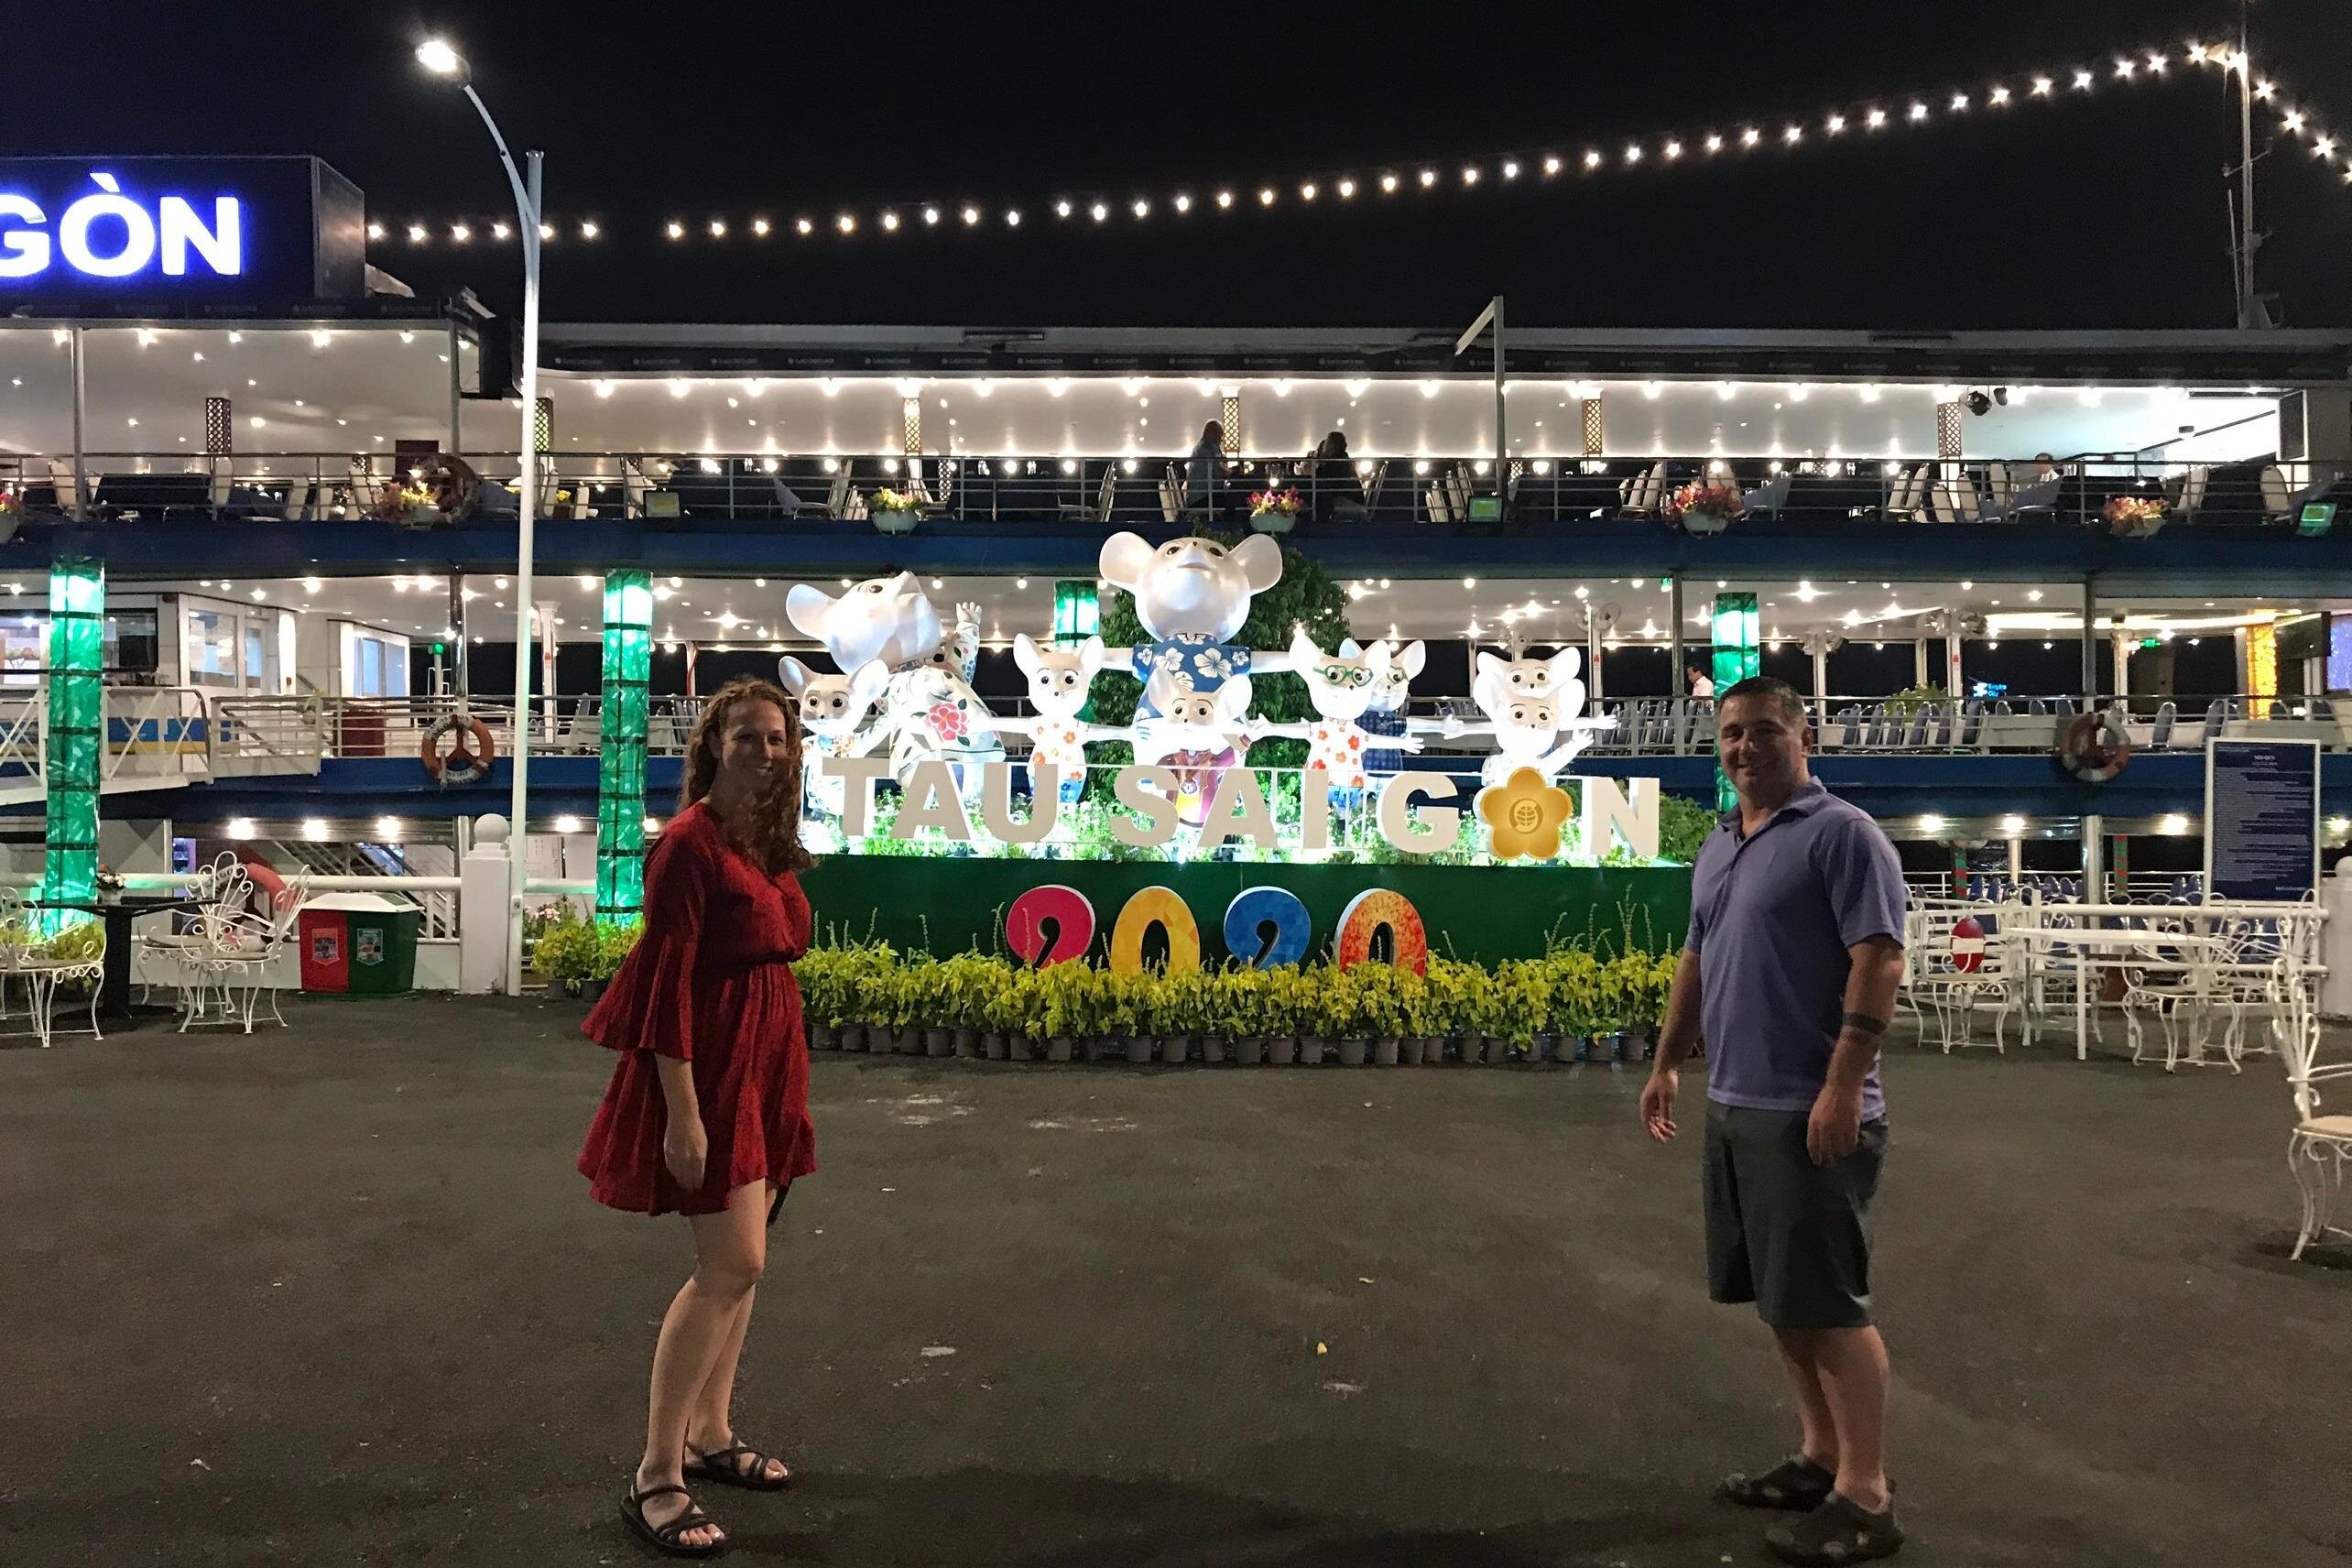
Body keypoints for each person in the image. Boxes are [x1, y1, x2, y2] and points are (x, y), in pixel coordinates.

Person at [1639, 675, 1910, 1566]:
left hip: (1808, 1109)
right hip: (1737, 1102)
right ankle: (1819, 1455)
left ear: (1803, 738)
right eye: (1731, 733)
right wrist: (1666, 1063)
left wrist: (1844, 1085)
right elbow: (1696, 959)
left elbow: (1880, 959)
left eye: (1763, 730)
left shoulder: (1842, 834)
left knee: (1830, 1307)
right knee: (1782, 1302)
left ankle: (1866, 1496)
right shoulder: (1721, 844)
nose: (1744, 747)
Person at [577, 677, 819, 1558]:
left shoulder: (762, 839)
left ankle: (711, 1434)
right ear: (715, 743)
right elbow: (666, 984)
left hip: (764, 1060)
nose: (766, 751)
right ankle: (655, 1473)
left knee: (746, 1269)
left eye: (777, 738)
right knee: (731, 1264)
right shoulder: (687, 844)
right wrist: (682, 1112)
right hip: (711, 1065)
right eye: (748, 736)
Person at [1186, 421, 1223, 515]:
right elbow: (1218, 473)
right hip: (1202, 498)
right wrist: (1232, 472)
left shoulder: (1200, 448)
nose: (1221, 440)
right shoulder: (1208, 449)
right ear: (1214, 435)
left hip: (1195, 497)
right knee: (1231, 499)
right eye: (1219, 436)